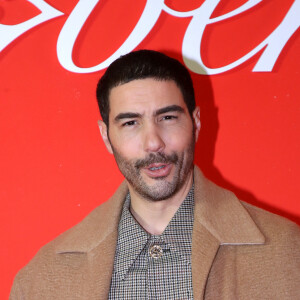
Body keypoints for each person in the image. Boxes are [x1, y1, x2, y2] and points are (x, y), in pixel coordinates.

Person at [10, 50, 300, 299]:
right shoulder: (41, 281)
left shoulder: (288, 254)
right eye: (130, 123)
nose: (154, 142)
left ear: (196, 123)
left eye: (168, 118)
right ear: (105, 136)